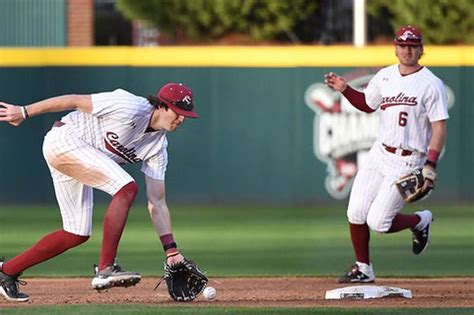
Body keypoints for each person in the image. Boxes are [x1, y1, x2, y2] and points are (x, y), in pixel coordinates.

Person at [0, 82, 198, 302]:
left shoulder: (158, 148)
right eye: (178, 112)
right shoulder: (129, 106)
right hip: (66, 139)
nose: (181, 119)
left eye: (185, 115)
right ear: (162, 106)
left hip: (79, 157)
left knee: (76, 233)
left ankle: (7, 272)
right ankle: (105, 269)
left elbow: (157, 202)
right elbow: (73, 99)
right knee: (127, 188)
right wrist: (24, 112)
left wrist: (171, 251)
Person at [324, 25, 449, 283]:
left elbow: (439, 127)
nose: (407, 50)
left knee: (379, 223)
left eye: (413, 46)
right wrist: (345, 88)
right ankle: (364, 268)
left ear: (421, 50)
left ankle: (419, 221)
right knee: (355, 212)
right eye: (403, 45)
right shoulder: (385, 76)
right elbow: (367, 105)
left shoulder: (431, 84)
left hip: (409, 159)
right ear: (395, 48)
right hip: (379, 153)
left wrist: (430, 164)